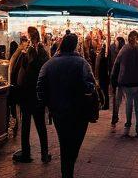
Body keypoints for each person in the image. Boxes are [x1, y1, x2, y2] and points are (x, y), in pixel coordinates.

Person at [37, 32, 98, 178]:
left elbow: (39, 89)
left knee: (64, 142)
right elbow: (90, 86)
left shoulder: (49, 64)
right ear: (75, 46)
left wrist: (48, 104)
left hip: (59, 112)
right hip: (79, 112)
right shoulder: (82, 63)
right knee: (75, 144)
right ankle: (68, 168)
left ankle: (67, 171)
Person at [10, 26, 50, 164]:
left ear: (29, 37)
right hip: (38, 95)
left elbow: (21, 74)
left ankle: (26, 153)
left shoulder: (28, 53)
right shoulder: (43, 52)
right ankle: (44, 153)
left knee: (26, 124)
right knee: (40, 125)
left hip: (27, 95)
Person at [111, 30, 138, 138]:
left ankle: (127, 128)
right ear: (137, 37)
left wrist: (114, 78)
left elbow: (116, 65)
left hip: (126, 81)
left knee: (129, 103)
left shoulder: (124, 49)